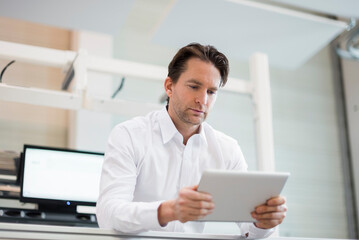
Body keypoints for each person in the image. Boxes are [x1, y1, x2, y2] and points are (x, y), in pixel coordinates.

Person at [96, 43, 287, 238]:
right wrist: (168, 211)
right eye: (194, 87)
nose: (203, 100)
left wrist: (264, 223)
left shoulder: (227, 150)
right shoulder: (129, 135)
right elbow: (108, 215)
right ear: (169, 87)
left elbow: (249, 229)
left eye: (211, 92)